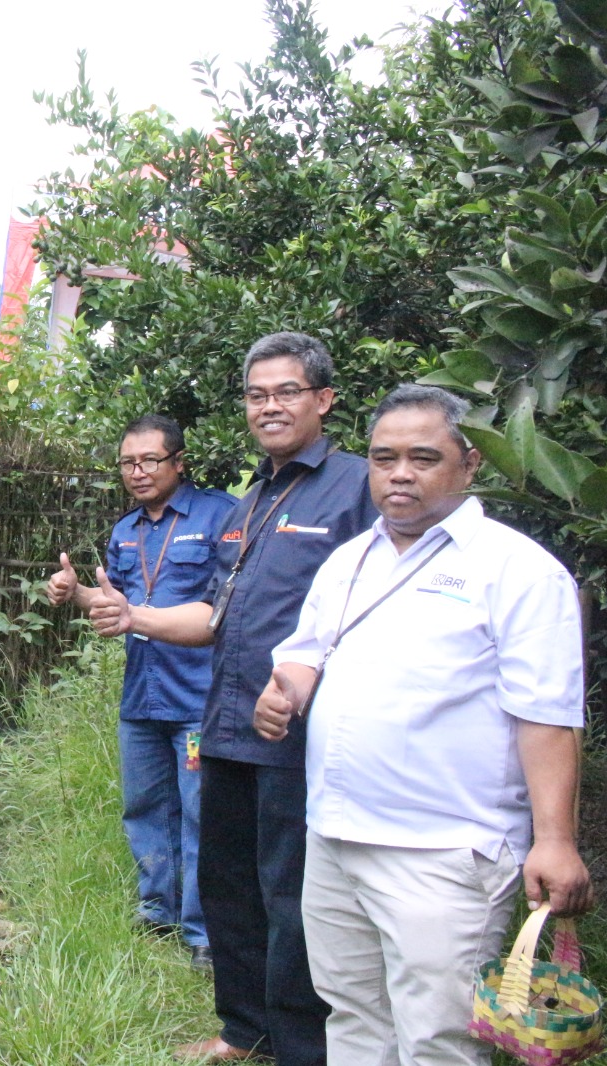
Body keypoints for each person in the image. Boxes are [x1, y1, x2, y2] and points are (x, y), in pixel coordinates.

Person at [254, 384, 591, 1065]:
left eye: (422, 457)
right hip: (336, 835)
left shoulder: (517, 570)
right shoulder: (351, 560)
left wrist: (555, 840)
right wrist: (283, 691)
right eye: (383, 458)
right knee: (351, 1016)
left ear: (468, 466)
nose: (399, 474)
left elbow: (547, 715)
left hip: (444, 850)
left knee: (437, 1038)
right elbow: (306, 651)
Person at [92, 332, 377, 1065]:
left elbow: (381, 614)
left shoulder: (357, 487)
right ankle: (244, 1030)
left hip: (298, 734)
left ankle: (300, 1046)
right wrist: (133, 617)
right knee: (230, 889)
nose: (269, 406)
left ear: (323, 400)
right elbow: (211, 617)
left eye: (286, 391)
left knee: (292, 899)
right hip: (223, 725)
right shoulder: (253, 499)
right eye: (257, 394)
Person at [47, 414, 235, 970]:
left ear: (179, 463)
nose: (139, 471)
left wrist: (135, 614)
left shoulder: (221, 514)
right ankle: (158, 912)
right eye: (129, 462)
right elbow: (119, 608)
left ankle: (203, 934)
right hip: (142, 697)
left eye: (150, 460)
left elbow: (225, 610)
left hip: (199, 699)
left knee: (203, 815)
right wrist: (76, 591)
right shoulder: (127, 530)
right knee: (145, 808)